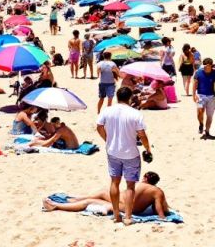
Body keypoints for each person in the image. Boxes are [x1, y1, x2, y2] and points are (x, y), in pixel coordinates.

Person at [96, 86, 153, 225]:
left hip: (113, 151)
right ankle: (127, 217)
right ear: (130, 98)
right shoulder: (135, 113)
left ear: (117, 97)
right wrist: (147, 149)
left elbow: (98, 127)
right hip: (131, 153)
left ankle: (116, 215)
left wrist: (108, 140)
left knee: (114, 182)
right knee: (130, 186)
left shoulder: (107, 111)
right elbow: (142, 134)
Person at [42, 171, 170, 219]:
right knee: (95, 198)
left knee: (98, 196)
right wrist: (163, 216)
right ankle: (63, 203)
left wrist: (162, 217)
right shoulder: (157, 191)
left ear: (145, 178)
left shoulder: (142, 185)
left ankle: (60, 204)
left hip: (125, 207)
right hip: (127, 206)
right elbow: (159, 209)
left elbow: (160, 212)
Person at [192, 57, 215, 138]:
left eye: (208, 66)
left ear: (211, 66)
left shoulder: (214, 72)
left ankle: (207, 131)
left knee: (210, 116)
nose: (206, 67)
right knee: (200, 112)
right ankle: (201, 124)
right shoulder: (198, 72)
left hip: (212, 97)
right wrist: (194, 94)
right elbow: (195, 84)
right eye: (205, 65)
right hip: (200, 95)